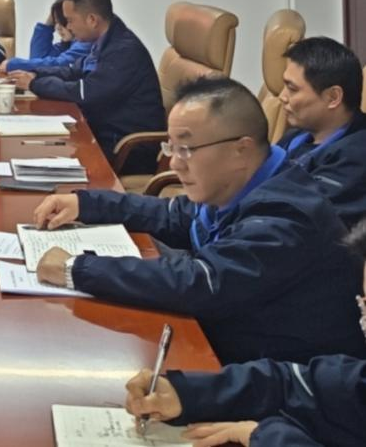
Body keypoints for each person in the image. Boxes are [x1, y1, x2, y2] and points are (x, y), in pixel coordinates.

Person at [32, 76, 365, 365]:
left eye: (187, 149)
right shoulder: (250, 184)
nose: (174, 164)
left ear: (241, 150)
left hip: (276, 386)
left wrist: (77, 268)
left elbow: (201, 282)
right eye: (171, 147)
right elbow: (173, 214)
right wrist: (86, 203)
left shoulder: (287, 216)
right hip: (229, 349)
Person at [123, 217, 366, 447]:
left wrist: (266, 436)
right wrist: (188, 393)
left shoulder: (290, 216)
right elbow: (294, 386)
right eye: (364, 302)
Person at [6, 0, 165, 173]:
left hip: (124, 150)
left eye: (70, 20)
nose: (68, 27)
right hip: (98, 133)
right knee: (31, 150)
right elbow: (73, 71)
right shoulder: (105, 40)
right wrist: (35, 74)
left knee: (41, 163)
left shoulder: (124, 51)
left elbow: (85, 92)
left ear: (92, 20)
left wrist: (35, 84)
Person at [276, 36, 366, 226]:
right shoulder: (296, 136)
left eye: (292, 89)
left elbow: (302, 219)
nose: (282, 96)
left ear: (333, 97)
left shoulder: (357, 158)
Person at [0, 0, 91, 73]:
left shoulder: (86, 43)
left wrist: (15, 64)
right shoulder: (67, 45)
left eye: (62, 21)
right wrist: (49, 22)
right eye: (56, 22)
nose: (58, 28)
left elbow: (58, 64)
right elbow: (38, 58)